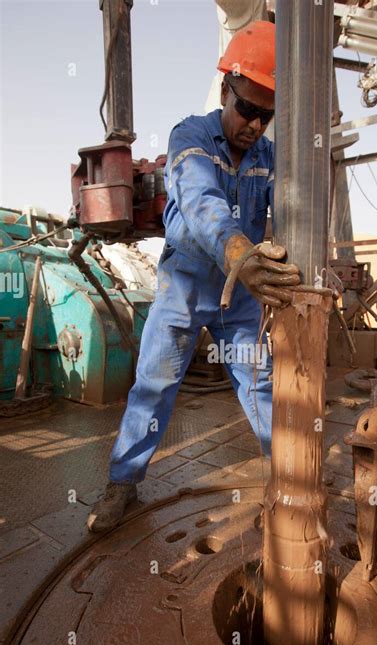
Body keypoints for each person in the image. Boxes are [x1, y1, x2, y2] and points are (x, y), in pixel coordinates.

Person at [87, 20, 301, 532]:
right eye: (247, 109)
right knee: (154, 385)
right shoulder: (191, 135)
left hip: (242, 296)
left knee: (261, 384)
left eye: (265, 117)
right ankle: (123, 485)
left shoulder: (270, 157)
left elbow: (291, 214)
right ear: (226, 90)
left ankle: (292, 481)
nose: (253, 125)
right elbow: (199, 198)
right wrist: (238, 252)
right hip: (185, 284)